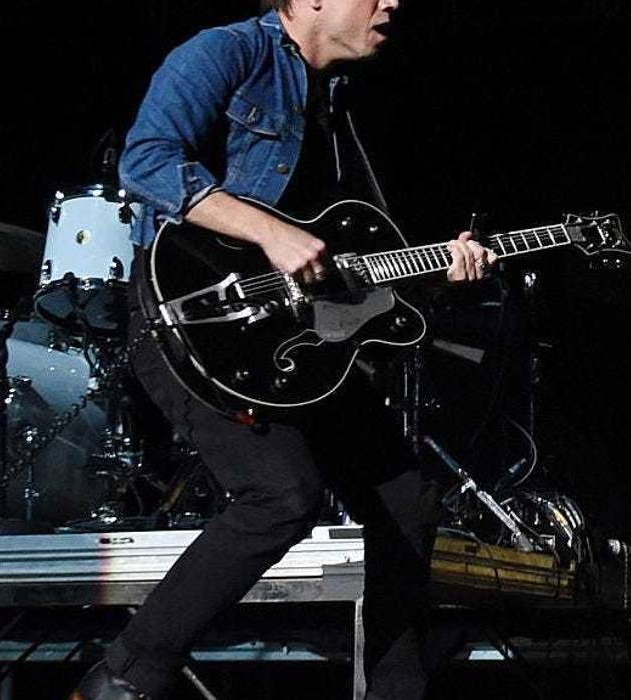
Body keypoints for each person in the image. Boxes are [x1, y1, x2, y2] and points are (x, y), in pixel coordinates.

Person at [71, 1, 495, 698]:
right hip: (197, 324)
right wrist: (266, 230)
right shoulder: (225, 52)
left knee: (406, 500)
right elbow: (145, 161)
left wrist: (437, 272)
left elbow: (351, 263)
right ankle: (124, 676)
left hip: (298, 347)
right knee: (281, 494)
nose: (391, 3)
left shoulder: (343, 109)